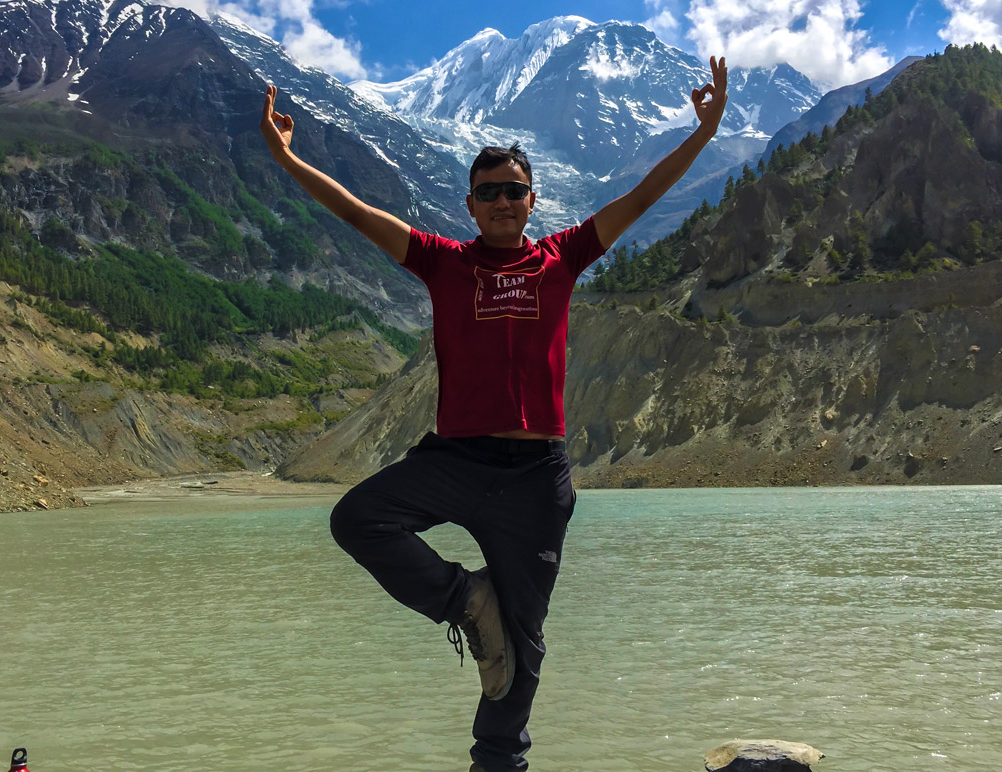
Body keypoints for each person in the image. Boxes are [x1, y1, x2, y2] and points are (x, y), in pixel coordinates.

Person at [260, 56, 728, 772]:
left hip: (536, 474)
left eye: (515, 191)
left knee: (525, 639)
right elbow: (358, 213)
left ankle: (497, 762)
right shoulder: (444, 262)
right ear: (470, 205)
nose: (504, 201)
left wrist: (705, 132)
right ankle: (463, 598)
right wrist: (287, 159)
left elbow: (639, 199)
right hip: (457, 461)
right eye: (490, 193)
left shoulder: (562, 259)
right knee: (357, 519)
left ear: (533, 201)